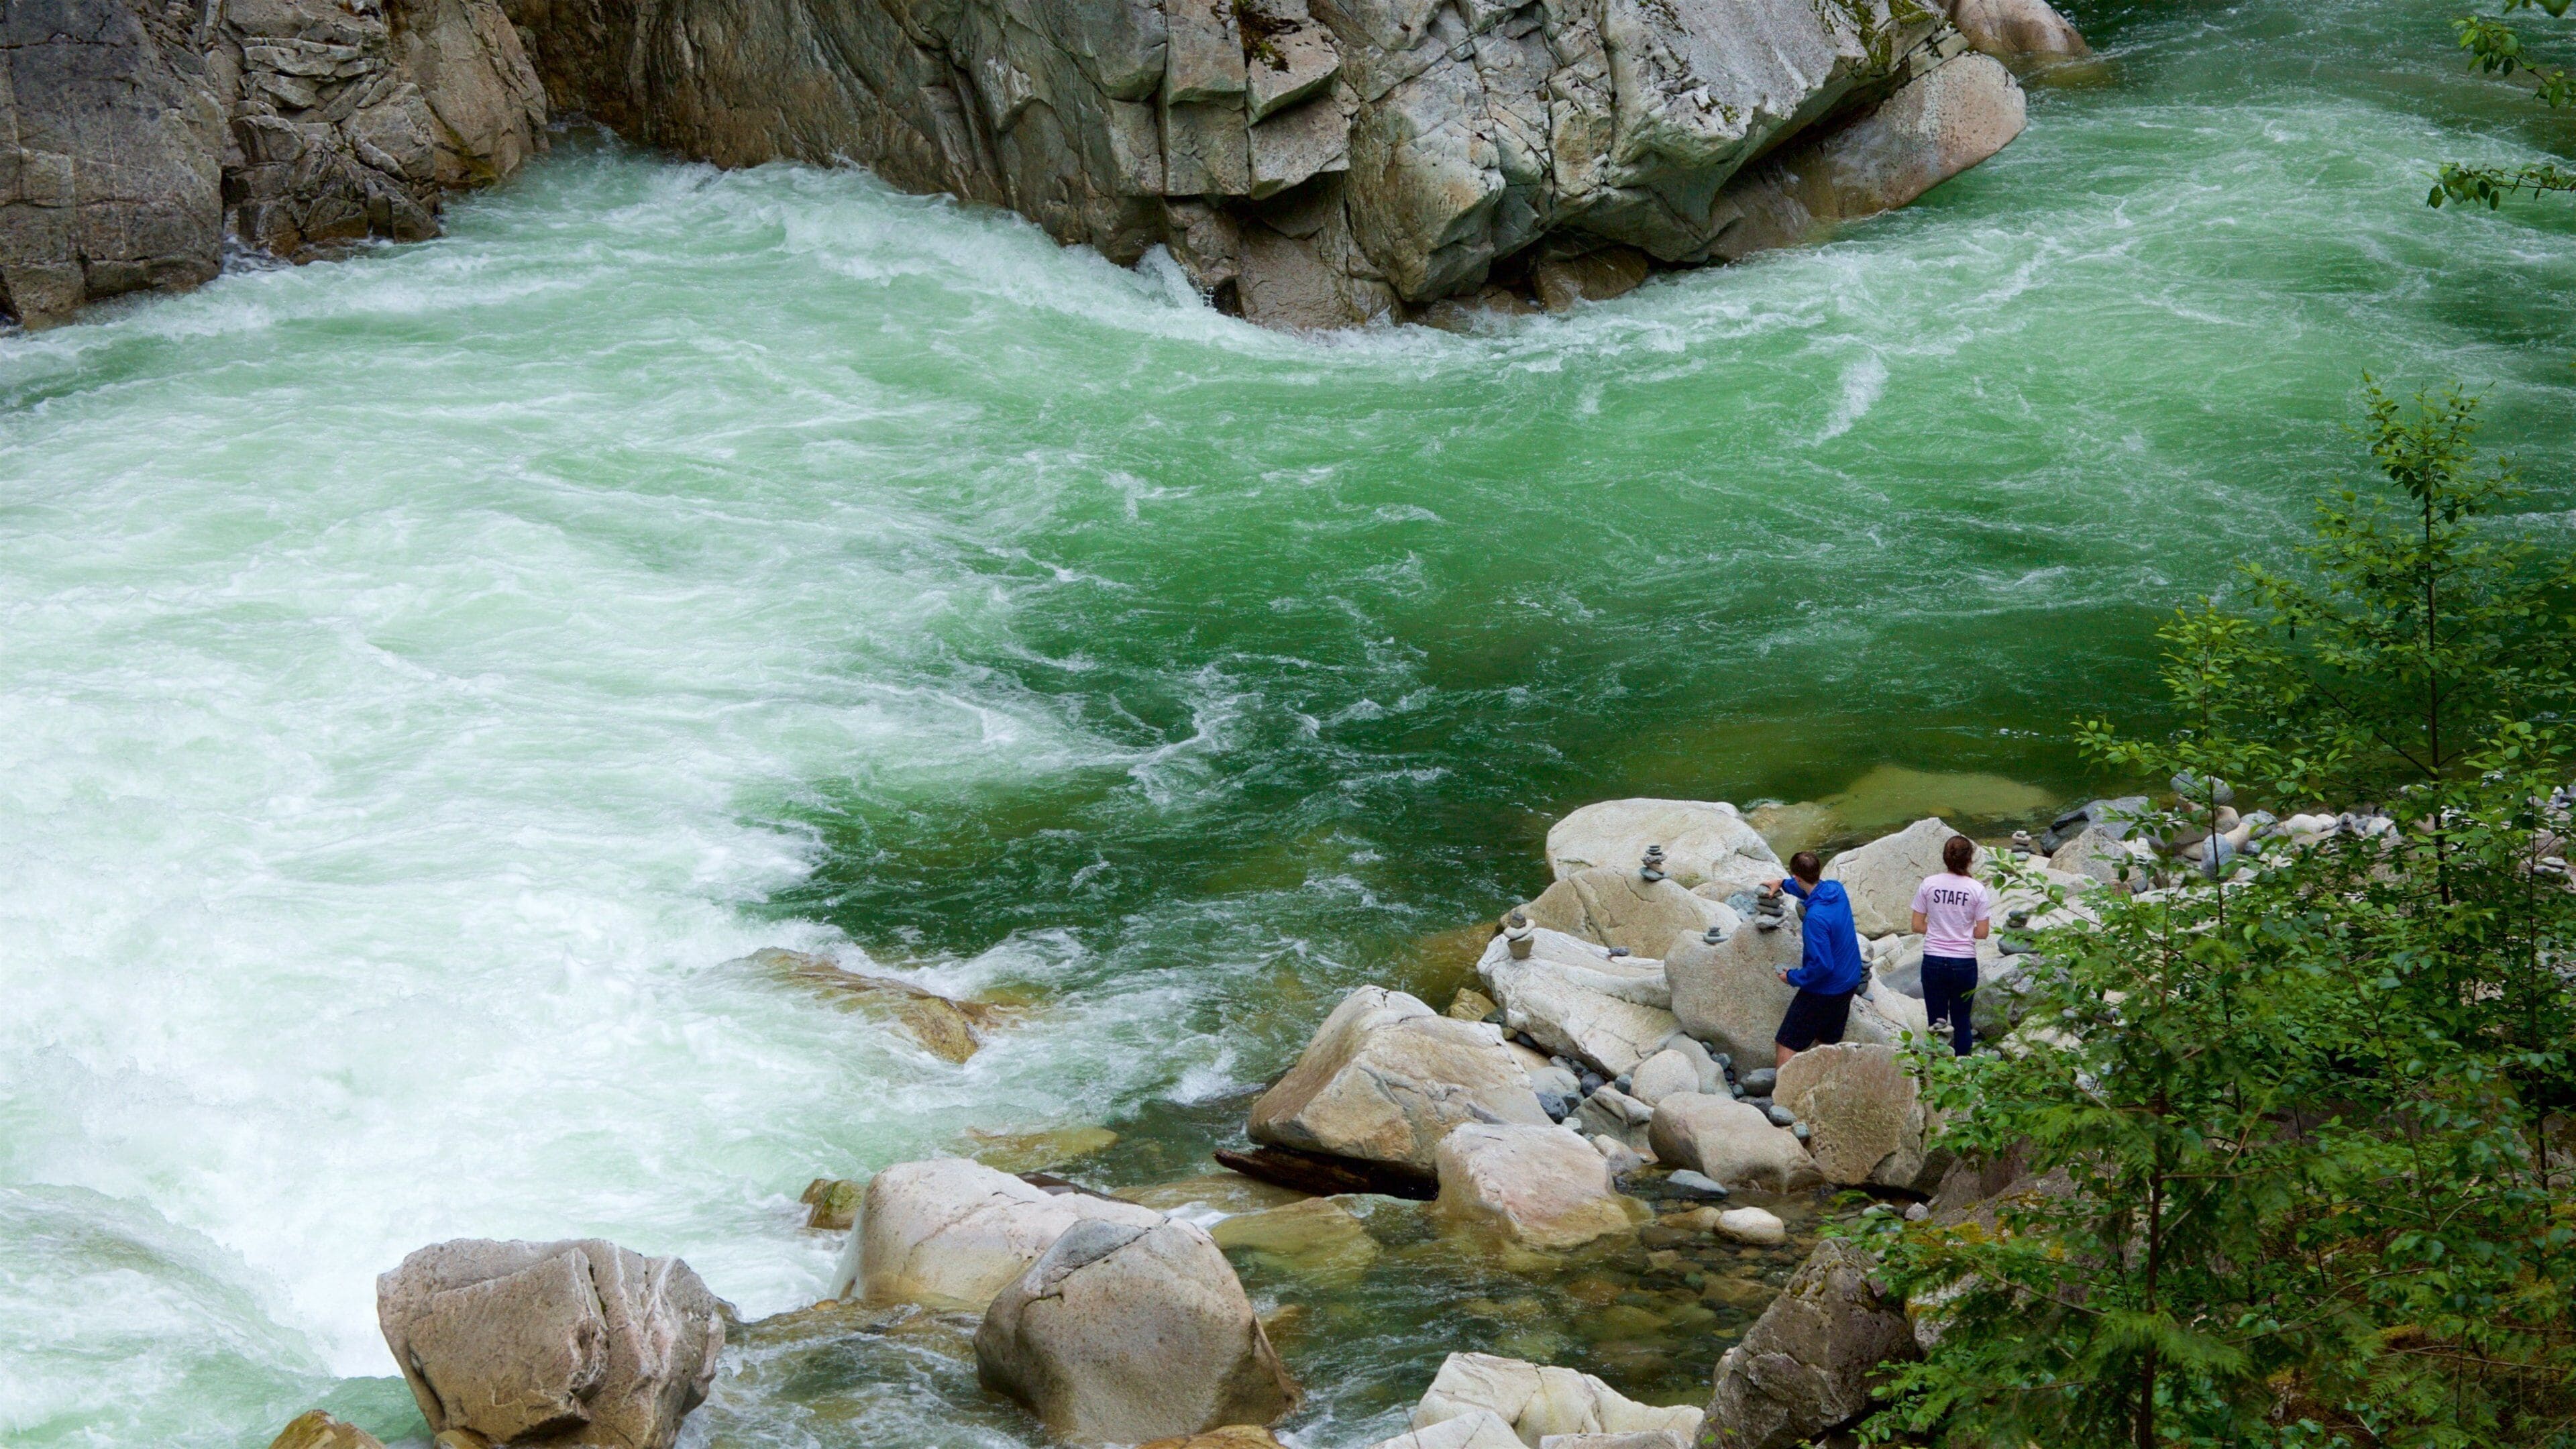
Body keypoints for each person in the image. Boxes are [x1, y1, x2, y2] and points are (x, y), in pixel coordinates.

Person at [1772, 850, 1864, 1067]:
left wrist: (1793, 977)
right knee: (1827, 1039)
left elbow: (1822, 965)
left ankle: (1782, 1096)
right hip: (1850, 981)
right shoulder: (1836, 889)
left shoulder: (1814, 919)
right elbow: (1809, 890)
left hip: (1826, 990)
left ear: (1797, 876)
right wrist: (1783, 884)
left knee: (1786, 1042)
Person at [1911, 834, 1992, 1057]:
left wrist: (1939, 929)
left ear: (1946, 857)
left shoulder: (1929, 884)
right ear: (1970, 859)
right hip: (1964, 963)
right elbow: (1983, 933)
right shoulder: (1977, 889)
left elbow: (1917, 925)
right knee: (1962, 1019)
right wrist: (1961, 931)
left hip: (1934, 960)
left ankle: (1937, 1068)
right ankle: (1964, 1068)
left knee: (1936, 1020)